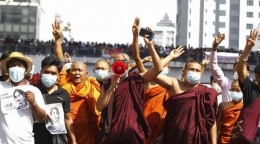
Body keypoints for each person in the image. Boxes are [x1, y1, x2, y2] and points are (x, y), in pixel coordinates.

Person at [95, 19, 163, 143]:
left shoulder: (136, 79)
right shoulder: (107, 82)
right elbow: (99, 107)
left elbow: (158, 68)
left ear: (129, 65)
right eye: (117, 61)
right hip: (111, 134)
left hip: (132, 133)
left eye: (123, 61)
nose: (120, 63)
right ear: (112, 65)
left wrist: (150, 45)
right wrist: (111, 87)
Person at [154, 50, 218, 144]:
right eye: (191, 69)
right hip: (173, 137)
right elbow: (154, 73)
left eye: (197, 71)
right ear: (184, 72)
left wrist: (214, 142)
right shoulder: (174, 84)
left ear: (201, 74)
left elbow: (211, 121)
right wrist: (170, 57)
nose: (194, 72)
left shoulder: (206, 93)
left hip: (197, 139)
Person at [53, 21, 101, 144]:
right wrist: (58, 40)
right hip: (66, 130)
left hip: (86, 130)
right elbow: (59, 62)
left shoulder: (91, 85)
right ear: (70, 73)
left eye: (80, 70)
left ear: (86, 74)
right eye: (74, 70)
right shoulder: (65, 84)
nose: (77, 73)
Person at [131, 17, 171, 144]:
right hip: (142, 129)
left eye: (165, 67)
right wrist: (136, 36)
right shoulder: (147, 80)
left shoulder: (172, 86)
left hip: (162, 132)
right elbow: (137, 58)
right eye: (159, 67)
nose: (161, 69)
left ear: (168, 71)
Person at [0, 51, 46, 144]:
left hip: (26, 141)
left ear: (25, 70)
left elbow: (41, 118)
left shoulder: (34, 90)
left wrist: (33, 103)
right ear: (8, 70)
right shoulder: (1, 87)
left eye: (19, 65)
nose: (16, 68)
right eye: (12, 65)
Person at [32, 56, 76, 144]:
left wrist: (73, 140)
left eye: (53, 73)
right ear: (41, 72)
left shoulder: (63, 94)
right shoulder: (33, 91)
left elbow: (67, 119)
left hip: (57, 140)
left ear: (58, 75)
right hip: (35, 139)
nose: (49, 75)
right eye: (46, 72)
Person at [234, 29, 260, 143]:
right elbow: (240, 70)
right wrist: (247, 49)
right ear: (258, 77)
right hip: (249, 139)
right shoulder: (251, 89)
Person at [210, 33, 250, 103]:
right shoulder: (226, 83)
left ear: (248, 73)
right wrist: (214, 47)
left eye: (241, 69)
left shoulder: (251, 88)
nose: (238, 71)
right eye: (236, 69)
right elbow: (213, 67)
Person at [216, 80, 243, 144]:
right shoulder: (223, 105)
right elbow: (216, 125)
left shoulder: (245, 107)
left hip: (239, 140)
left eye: (237, 90)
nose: (235, 92)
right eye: (232, 90)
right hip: (223, 140)